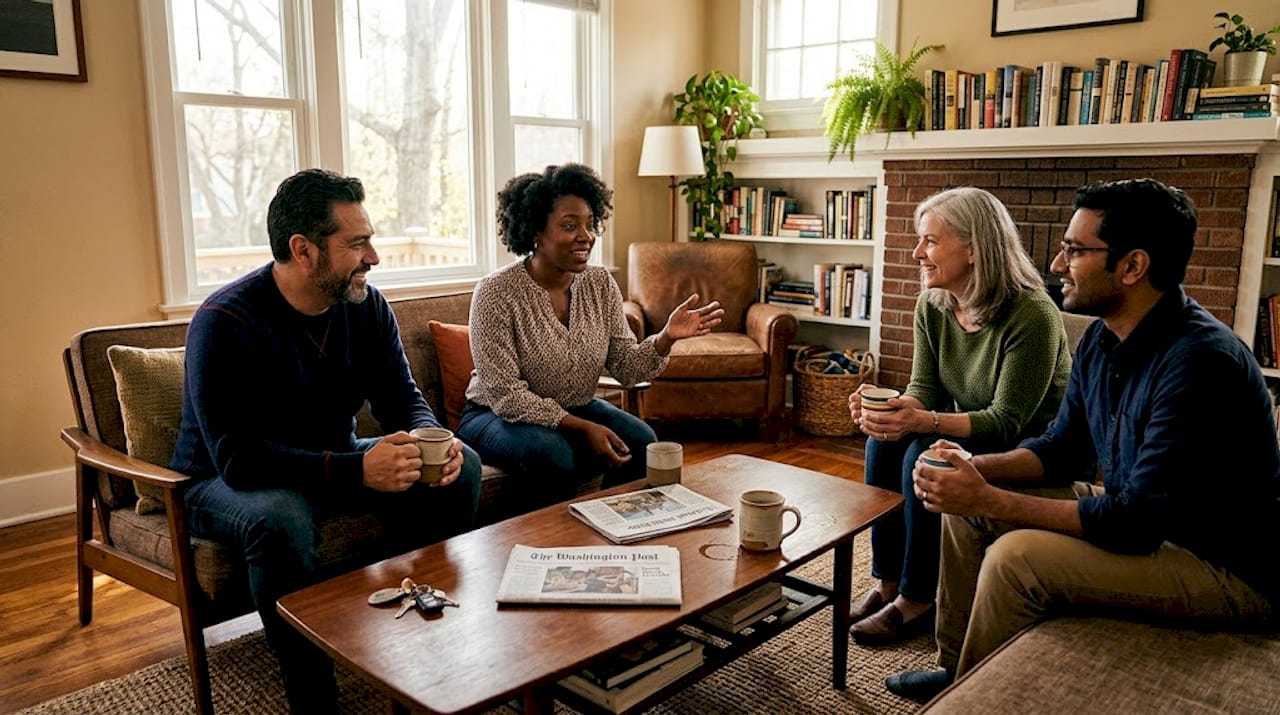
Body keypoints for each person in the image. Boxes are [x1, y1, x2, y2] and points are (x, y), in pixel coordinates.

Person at [885, 178, 1279, 702]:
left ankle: (973, 700)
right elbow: (1062, 450)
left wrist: (992, 497)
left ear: (1133, 266)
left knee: (1016, 557)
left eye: (1074, 250)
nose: (1056, 264)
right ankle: (957, 670)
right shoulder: (1101, 336)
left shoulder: (1201, 362)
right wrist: (976, 471)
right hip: (1145, 515)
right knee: (966, 510)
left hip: (1218, 562)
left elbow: (1134, 522)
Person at [170, 168, 482, 714]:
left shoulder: (365, 307)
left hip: (332, 460)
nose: (374, 257)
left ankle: (423, 639)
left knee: (465, 467)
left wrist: (433, 438)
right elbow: (239, 460)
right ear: (304, 250)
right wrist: (358, 470)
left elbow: (400, 397)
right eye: (357, 243)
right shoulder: (225, 322)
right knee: (280, 516)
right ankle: (313, 697)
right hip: (221, 481)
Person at [846, 187, 1072, 645]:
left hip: (1026, 444)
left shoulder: (1032, 314)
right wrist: (894, 410)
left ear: (973, 249)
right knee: (883, 442)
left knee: (923, 457)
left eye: (930, 241)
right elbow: (925, 390)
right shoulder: (932, 304)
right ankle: (887, 581)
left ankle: (918, 600)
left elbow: (1007, 420)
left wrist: (923, 423)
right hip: (967, 426)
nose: (917, 253)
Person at [458, 163, 724, 508]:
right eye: (570, 226)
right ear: (535, 231)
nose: (586, 236)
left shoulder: (599, 284)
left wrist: (665, 338)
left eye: (589, 224)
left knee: (642, 441)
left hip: (576, 406)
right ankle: (549, 549)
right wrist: (581, 427)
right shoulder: (496, 293)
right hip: (493, 414)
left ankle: (612, 528)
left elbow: (627, 367)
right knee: (553, 453)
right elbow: (506, 395)